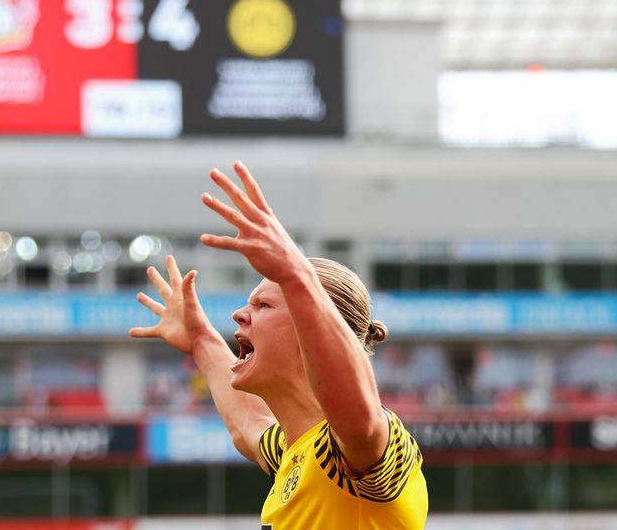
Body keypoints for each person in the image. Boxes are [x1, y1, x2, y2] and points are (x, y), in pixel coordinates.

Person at [130, 162, 427, 529]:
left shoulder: (360, 452)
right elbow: (249, 425)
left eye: (263, 305)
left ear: (310, 330)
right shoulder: (292, 449)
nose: (239, 314)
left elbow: (360, 420)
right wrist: (201, 340)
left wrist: (295, 273)